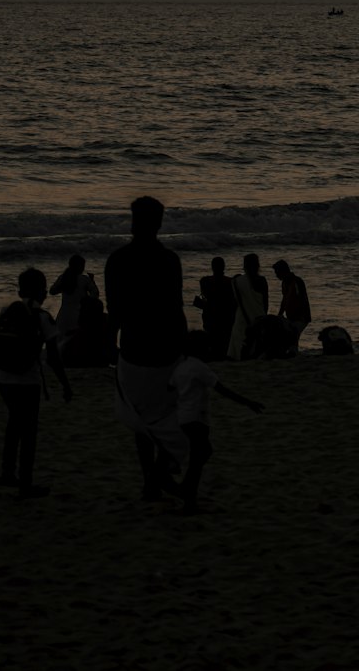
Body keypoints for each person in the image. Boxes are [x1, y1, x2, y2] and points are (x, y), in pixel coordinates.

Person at [105, 196, 188, 502]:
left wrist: (108, 348)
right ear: (160, 223)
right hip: (166, 350)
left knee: (142, 423)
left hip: (133, 350)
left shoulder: (117, 260)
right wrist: (185, 349)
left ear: (133, 221)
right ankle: (157, 475)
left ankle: (150, 479)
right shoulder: (169, 261)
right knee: (172, 419)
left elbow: (113, 313)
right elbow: (176, 309)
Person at [0, 267, 72, 499]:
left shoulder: (6, 311)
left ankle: (7, 472)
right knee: (28, 431)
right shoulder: (43, 318)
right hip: (27, 381)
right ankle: (25, 483)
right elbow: (53, 358)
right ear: (44, 292)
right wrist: (65, 384)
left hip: (3, 378)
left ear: (20, 290)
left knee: (14, 422)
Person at [168, 330, 265, 513]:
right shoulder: (200, 368)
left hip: (183, 418)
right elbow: (222, 389)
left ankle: (186, 490)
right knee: (200, 456)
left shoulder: (181, 367)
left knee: (202, 453)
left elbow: (170, 388)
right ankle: (187, 496)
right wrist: (247, 402)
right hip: (197, 419)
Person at [50, 254, 99, 352]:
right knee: (76, 339)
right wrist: (92, 281)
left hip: (64, 313)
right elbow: (95, 294)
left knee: (61, 339)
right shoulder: (84, 279)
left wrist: (63, 287)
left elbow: (52, 291)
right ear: (80, 266)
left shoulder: (63, 277)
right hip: (78, 313)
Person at [228, 254, 268, 361]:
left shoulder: (237, 281)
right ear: (258, 265)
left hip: (241, 320)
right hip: (259, 318)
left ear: (244, 266)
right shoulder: (262, 280)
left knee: (240, 350)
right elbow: (265, 303)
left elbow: (234, 303)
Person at [195, 257, 236, 360]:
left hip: (211, 318)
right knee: (224, 343)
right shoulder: (231, 282)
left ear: (212, 267)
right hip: (226, 318)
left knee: (212, 343)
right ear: (224, 267)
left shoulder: (205, 281)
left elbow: (204, 294)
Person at [273, 259, 311, 352]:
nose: (276, 275)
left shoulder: (297, 281)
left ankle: (293, 353)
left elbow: (302, 300)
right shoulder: (285, 283)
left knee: (293, 336)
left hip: (301, 317)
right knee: (292, 337)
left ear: (283, 271)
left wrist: (302, 317)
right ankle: (293, 353)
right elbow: (284, 299)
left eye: (277, 272)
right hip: (292, 317)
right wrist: (280, 314)